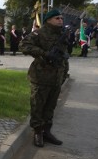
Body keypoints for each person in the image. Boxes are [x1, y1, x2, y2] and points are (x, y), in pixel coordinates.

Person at [19, 9, 68, 148]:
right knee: (38, 107)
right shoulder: (39, 33)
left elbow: (64, 56)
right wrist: (44, 54)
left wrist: (64, 73)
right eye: (57, 18)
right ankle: (38, 133)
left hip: (56, 78)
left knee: (50, 107)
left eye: (61, 18)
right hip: (41, 77)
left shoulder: (62, 34)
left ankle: (47, 132)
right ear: (48, 20)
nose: (61, 20)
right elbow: (23, 45)